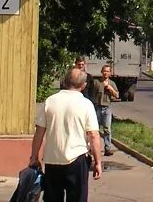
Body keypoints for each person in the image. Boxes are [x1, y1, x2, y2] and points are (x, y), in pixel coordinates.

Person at [30, 67, 102, 201]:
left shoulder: (50, 101)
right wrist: (98, 162)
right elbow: (93, 135)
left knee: (52, 199)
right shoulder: (86, 104)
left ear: (65, 81)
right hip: (77, 160)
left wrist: (34, 157)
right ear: (83, 85)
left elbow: (39, 132)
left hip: (52, 161)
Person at [87, 64, 119, 156]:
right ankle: (92, 149)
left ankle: (107, 148)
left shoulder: (112, 83)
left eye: (108, 71)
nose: (106, 73)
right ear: (101, 72)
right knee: (94, 129)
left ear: (110, 73)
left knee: (107, 129)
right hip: (97, 107)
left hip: (107, 108)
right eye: (104, 71)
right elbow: (91, 93)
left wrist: (110, 88)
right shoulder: (96, 82)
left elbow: (117, 95)